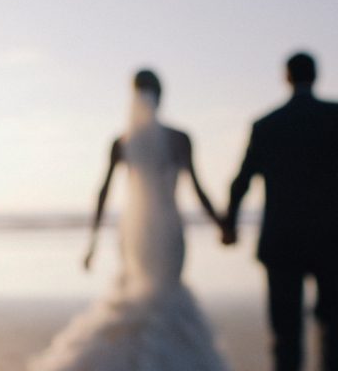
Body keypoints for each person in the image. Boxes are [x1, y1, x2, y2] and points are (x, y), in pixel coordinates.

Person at [29, 70, 229, 371]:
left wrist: (93, 242)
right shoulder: (179, 139)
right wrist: (221, 224)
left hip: (134, 233)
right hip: (169, 229)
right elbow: (198, 188)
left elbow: (103, 193)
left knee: (134, 294)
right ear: (160, 97)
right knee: (166, 294)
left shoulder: (122, 142)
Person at [222, 52, 338, 371]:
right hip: (332, 240)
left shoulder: (267, 125)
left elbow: (241, 181)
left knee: (286, 334)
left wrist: (230, 224)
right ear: (316, 76)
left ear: (286, 77)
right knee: (333, 329)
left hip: (282, 240)